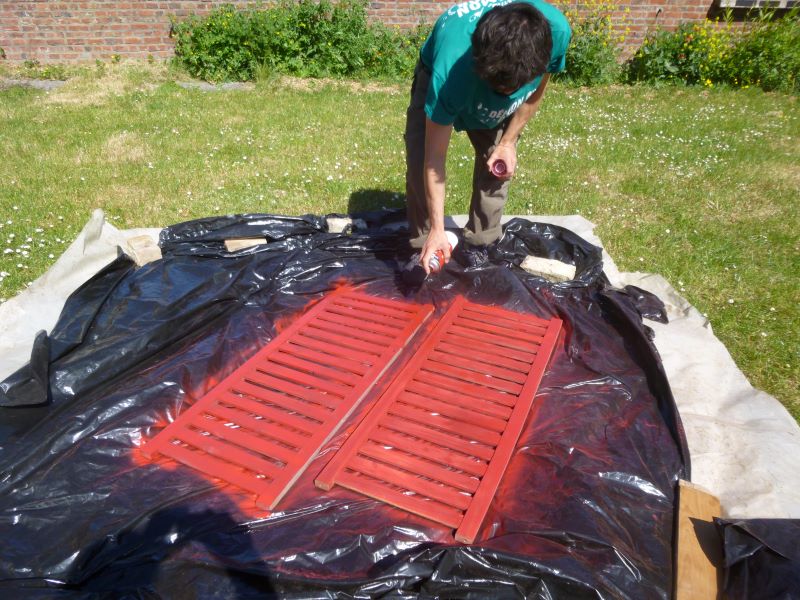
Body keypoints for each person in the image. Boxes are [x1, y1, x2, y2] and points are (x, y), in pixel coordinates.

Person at [404, 0, 571, 274]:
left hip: (488, 72)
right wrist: (437, 228)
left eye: (511, 89)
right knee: (419, 159)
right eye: (497, 87)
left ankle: (480, 242)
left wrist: (508, 142)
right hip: (452, 75)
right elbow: (433, 160)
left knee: (498, 164)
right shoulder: (449, 72)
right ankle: (425, 243)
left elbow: (538, 89)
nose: (502, 96)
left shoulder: (556, 34)